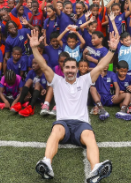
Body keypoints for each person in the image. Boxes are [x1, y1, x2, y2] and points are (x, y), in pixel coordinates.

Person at [32, 28, 114, 183]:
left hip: (81, 124)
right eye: (67, 68)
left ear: (77, 69)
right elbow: (43, 66)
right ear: (63, 69)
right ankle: (47, 163)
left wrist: (112, 50)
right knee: (56, 130)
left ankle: (95, 168)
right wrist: (35, 47)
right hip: (63, 123)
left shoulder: (85, 80)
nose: (70, 70)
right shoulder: (56, 81)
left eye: (72, 68)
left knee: (90, 136)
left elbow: (101, 65)